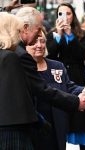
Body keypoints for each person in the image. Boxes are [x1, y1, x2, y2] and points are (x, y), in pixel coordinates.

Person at [26, 30, 85, 150]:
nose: (39, 45)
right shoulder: (24, 68)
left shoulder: (57, 66)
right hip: (35, 126)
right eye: (34, 42)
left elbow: (69, 87)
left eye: (42, 41)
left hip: (59, 124)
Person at [46, 3, 85, 150]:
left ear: (73, 15)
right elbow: (49, 54)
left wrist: (70, 35)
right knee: (60, 120)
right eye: (61, 13)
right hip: (57, 81)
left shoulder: (82, 34)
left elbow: (81, 55)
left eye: (68, 13)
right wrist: (59, 36)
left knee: (80, 120)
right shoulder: (51, 34)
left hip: (77, 79)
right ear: (57, 16)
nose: (65, 16)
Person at [0, 12, 37, 150]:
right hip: (12, 130)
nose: (19, 35)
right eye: (17, 30)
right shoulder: (10, 57)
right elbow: (20, 97)